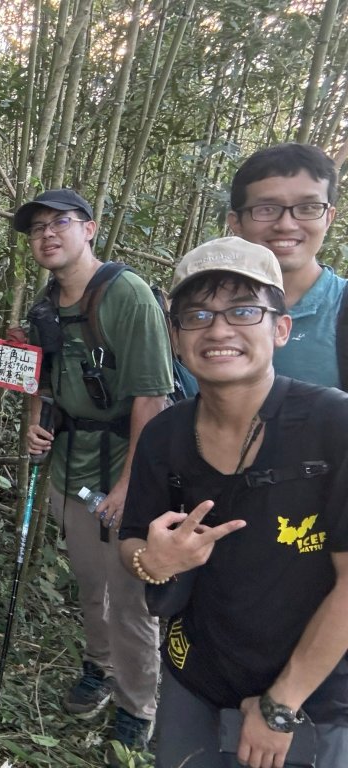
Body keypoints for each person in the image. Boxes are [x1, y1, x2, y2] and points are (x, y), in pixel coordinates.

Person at [119, 236, 348, 767]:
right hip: (195, 679)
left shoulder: (332, 425)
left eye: (244, 311)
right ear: (176, 338)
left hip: (312, 698)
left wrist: (280, 707)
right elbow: (133, 540)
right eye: (197, 315)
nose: (219, 329)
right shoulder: (164, 435)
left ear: (282, 328)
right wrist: (149, 562)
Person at [16, 189, 173, 760]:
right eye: (37, 229)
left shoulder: (126, 295)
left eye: (61, 223)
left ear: (90, 229)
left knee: (130, 595)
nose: (48, 235)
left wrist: (130, 488)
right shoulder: (45, 304)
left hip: (127, 468)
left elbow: (151, 398)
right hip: (68, 466)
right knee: (90, 581)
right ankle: (99, 667)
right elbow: (43, 379)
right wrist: (36, 425)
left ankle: (138, 705)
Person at [227, 143, 343, 388]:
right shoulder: (202, 310)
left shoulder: (341, 309)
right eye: (267, 209)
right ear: (236, 222)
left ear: (328, 217)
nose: (287, 224)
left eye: (308, 208)